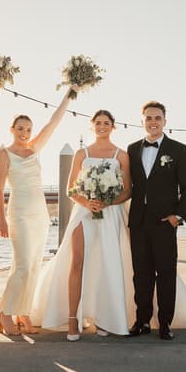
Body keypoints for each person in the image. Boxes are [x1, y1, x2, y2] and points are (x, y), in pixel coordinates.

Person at [31, 110, 133, 339]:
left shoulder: (122, 155)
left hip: (110, 214)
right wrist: (88, 202)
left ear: (113, 126)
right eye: (98, 123)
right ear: (92, 126)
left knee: (107, 265)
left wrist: (107, 201)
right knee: (76, 263)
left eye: (107, 123)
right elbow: (70, 189)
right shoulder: (81, 154)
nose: (102, 126)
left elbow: (127, 191)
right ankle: (72, 319)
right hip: (83, 213)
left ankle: (105, 319)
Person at [0, 87, 76, 336]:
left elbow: (54, 122)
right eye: (20, 129)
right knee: (22, 265)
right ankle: (5, 314)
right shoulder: (3, 154)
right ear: (12, 129)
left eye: (28, 129)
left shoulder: (35, 148)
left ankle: (23, 312)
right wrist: (0, 218)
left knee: (33, 265)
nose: (25, 133)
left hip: (40, 214)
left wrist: (69, 95)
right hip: (18, 212)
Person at [126, 101, 186, 341]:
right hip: (138, 222)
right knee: (141, 274)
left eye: (157, 118)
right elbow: (129, 186)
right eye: (148, 118)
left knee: (166, 273)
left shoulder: (178, 149)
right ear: (142, 121)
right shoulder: (132, 149)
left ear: (165, 121)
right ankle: (143, 320)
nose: (153, 122)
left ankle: (165, 323)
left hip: (164, 223)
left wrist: (177, 217)